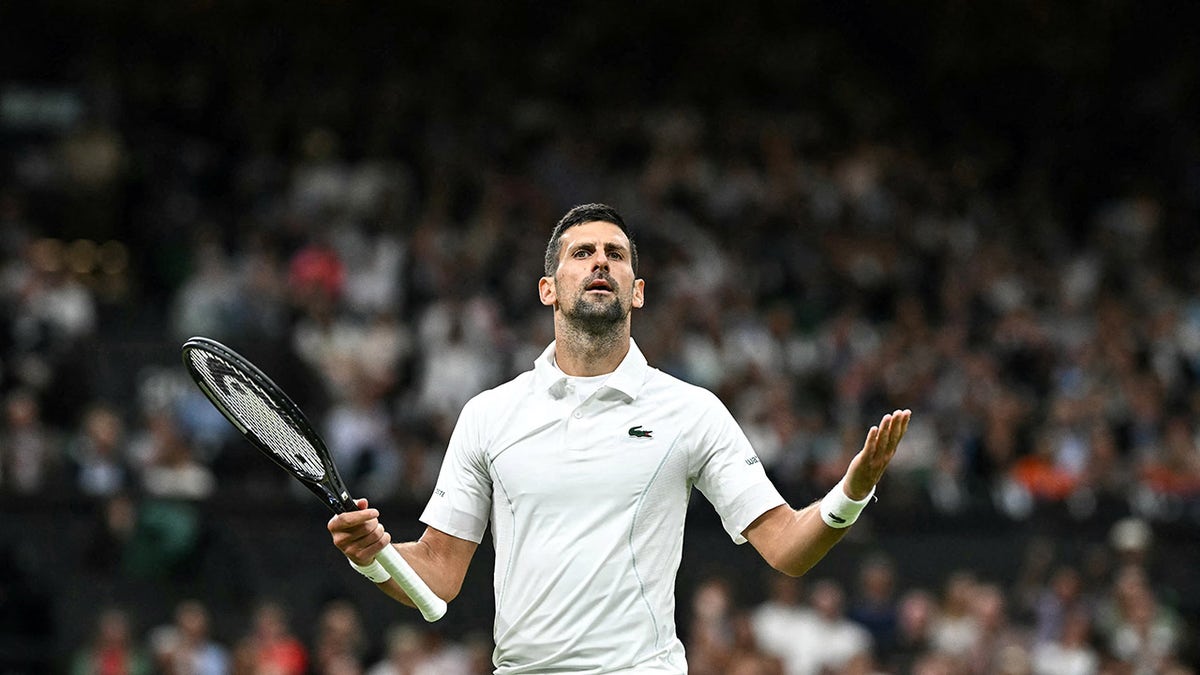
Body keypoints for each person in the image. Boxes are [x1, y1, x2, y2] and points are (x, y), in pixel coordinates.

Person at [327, 203, 912, 674]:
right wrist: (373, 557)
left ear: (637, 290)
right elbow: (436, 573)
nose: (600, 263)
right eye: (582, 253)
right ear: (548, 289)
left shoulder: (691, 410)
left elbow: (786, 546)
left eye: (616, 254)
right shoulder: (488, 415)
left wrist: (851, 491)